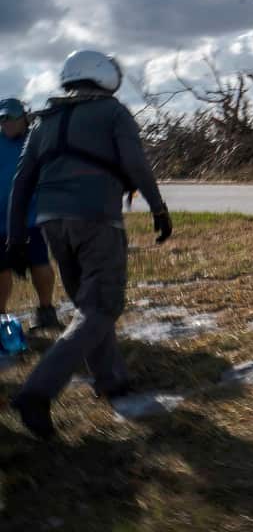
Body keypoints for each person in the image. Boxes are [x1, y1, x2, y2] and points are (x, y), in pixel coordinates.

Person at [5, 50, 172, 439]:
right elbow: (135, 163)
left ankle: (111, 381)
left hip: (51, 223)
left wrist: (16, 237)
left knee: (87, 305)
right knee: (103, 305)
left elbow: (21, 182)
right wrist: (158, 208)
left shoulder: (42, 124)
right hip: (96, 218)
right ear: (104, 76)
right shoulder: (112, 112)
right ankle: (37, 391)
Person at [0, 98, 62, 330]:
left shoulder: (37, 139)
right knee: (1, 268)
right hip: (0, 220)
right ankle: (2, 319)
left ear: (23, 117)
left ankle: (46, 312)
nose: (5, 123)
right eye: (1, 118)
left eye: (10, 117)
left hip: (30, 216)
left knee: (39, 261)